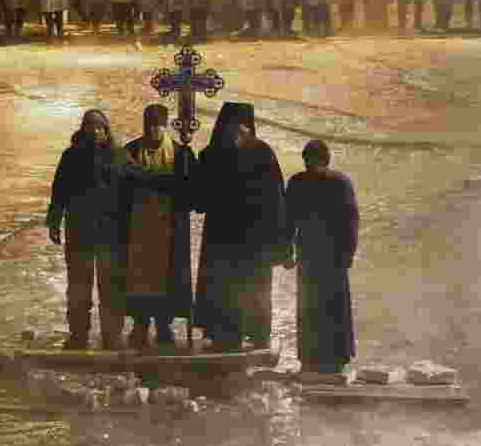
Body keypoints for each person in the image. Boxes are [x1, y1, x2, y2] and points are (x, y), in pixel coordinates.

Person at [193, 102, 290, 351]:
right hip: (225, 236)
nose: (237, 132)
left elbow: (276, 200)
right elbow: (199, 199)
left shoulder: (262, 154)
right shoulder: (213, 154)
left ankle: (255, 334)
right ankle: (225, 333)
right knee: (227, 286)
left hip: (250, 237)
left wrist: (279, 242)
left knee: (252, 286)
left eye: (241, 127)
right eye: (233, 127)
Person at [46, 110, 143, 351]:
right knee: (79, 287)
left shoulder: (119, 156)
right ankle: (78, 335)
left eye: (101, 127)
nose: (97, 131)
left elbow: (140, 182)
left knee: (111, 288)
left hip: (111, 233)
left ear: (107, 131)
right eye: (92, 127)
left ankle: (112, 336)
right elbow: (59, 192)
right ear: (84, 130)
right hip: (80, 233)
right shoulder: (71, 157)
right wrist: (54, 221)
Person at [121, 104, 197, 349]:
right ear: (144, 126)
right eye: (150, 125)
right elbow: (124, 183)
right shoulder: (131, 150)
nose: (154, 129)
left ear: (165, 125)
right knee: (139, 278)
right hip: (138, 227)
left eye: (158, 125)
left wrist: (146, 179)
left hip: (170, 228)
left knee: (168, 279)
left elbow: (188, 190)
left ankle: (164, 326)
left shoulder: (180, 153)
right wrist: (166, 182)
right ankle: (141, 325)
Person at [283, 140, 359, 374]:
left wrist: (286, 250)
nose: (307, 164)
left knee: (312, 306)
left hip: (316, 254)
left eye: (308, 160)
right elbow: (351, 221)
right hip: (329, 255)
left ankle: (314, 358)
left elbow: (287, 220)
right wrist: (349, 253)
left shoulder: (298, 182)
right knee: (332, 307)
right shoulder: (340, 182)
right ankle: (334, 357)